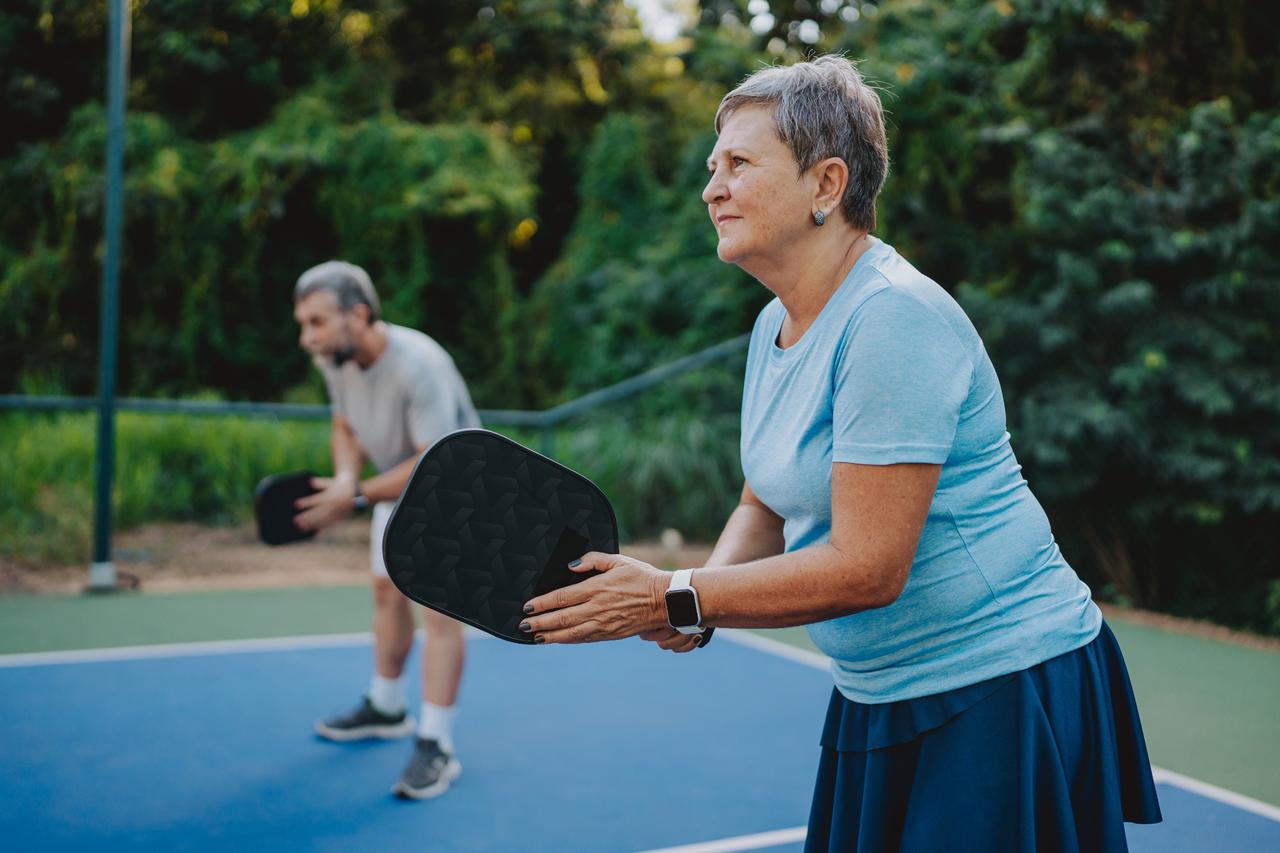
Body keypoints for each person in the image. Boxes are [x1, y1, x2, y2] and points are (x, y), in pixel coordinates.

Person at [519, 56, 1163, 850]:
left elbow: (869, 566)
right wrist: (695, 605)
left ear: (827, 184)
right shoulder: (774, 324)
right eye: (711, 167)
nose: (710, 188)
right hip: (879, 691)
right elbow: (763, 497)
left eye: (738, 164)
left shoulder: (893, 318)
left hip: (998, 687)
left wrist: (676, 595)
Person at [291, 261, 480, 800]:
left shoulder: (420, 364)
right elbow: (345, 422)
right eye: (303, 324)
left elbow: (433, 459)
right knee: (385, 591)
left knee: (439, 613)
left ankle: (436, 744)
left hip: (452, 489)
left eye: (317, 322)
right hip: (394, 487)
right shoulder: (338, 359)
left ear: (359, 314)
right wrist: (349, 476)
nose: (308, 339)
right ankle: (387, 704)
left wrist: (351, 496)